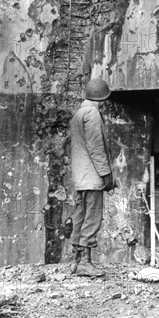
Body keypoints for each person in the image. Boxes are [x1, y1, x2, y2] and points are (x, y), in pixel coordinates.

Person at [68, 77, 115, 277]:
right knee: (92, 218)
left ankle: (76, 260)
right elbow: (96, 149)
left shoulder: (78, 114)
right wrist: (106, 175)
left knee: (80, 216)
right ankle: (85, 263)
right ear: (102, 98)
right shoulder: (93, 114)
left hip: (80, 177)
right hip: (92, 176)